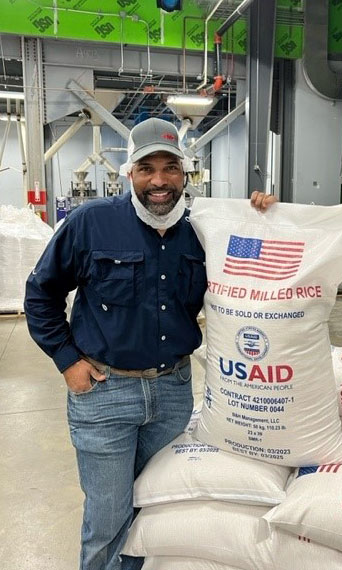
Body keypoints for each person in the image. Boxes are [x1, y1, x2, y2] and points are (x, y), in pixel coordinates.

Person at [24, 117, 276, 570]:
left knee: (155, 505)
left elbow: (257, 258)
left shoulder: (206, 230)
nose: (159, 181)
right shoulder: (90, 223)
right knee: (107, 517)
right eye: (146, 169)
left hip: (172, 392)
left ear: (185, 173)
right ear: (130, 173)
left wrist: (263, 214)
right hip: (104, 393)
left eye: (170, 168)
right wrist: (67, 360)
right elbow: (40, 293)